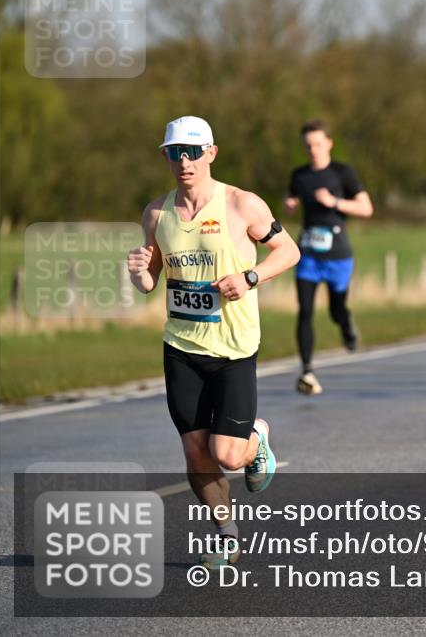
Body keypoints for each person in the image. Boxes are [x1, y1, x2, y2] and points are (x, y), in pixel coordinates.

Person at [127, 116, 300, 568]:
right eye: (174, 152)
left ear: (211, 153)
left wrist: (251, 277)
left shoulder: (243, 205)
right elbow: (150, 282)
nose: (183, 161)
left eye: (192, 151)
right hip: (181, 346)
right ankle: (226, 533)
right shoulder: (156, 213)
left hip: (233, 348)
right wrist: (139, 272)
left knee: (226, 454)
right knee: (193, 450)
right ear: (165, 156)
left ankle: (257, 436)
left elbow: (289, 251)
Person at [285, 120, 374, 396]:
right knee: (305, 311)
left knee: (336, 309)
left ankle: (346, 325)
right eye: (308, 145)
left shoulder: (342, 173)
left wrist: (334, 202)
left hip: (337, 255)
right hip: (308, 253)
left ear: (329, 143)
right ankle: (308, 371)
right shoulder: (299, 175)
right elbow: (292, 197)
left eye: (318, 144)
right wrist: (291, 203)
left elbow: (366, 208)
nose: (313, 150)